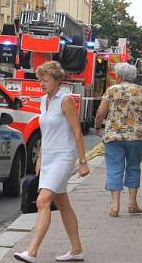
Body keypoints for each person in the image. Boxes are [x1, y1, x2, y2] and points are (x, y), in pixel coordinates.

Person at [14, 61, 90, 263]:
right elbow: (46, 133)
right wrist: (40, 157)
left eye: (45, 80)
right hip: (48, 158)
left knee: (43, 200)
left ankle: (32, 252)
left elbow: (76, 131)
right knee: (62, 204)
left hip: (64, 157)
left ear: (57, 80)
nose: (41, 83)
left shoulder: (65, 100)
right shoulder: (43, 100)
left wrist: (83, 161)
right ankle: (76, 250)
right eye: (40, 80)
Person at [94, 63, 142, 217]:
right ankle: (132, 203)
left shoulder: (112, 90)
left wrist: (98, 127)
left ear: (120, 76)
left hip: (114, 136)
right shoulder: (141, 91)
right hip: (137, 136)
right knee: (133, 167)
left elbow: (101, 112)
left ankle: (115, 205)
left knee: (114, 168)